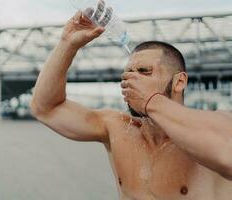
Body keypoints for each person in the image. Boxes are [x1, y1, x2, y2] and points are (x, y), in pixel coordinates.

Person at [30, 10, 232, 199]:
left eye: (144, 71)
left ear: (179, 82)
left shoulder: (213, 128)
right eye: (129, 73)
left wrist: (151, 102)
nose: (131, 80)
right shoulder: (117, 127)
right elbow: (46, 108)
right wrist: (67, 43)